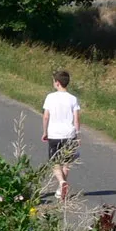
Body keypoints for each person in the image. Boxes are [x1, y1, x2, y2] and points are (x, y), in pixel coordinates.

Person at [41, 69, 81, 201]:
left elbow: (46, 116)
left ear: (57, 83)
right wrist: (78, 135)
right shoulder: (73, 99)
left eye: (54, 81)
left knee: (54, 161)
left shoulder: (50, 97)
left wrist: (45, 132)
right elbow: (76, 119)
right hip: (69, 134)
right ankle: (60, 189)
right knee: (67, 162)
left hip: (54, 133)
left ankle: (61, 183)